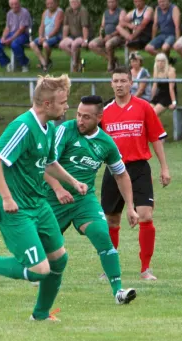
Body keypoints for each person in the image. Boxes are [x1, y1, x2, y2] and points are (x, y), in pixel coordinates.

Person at [0, 75, 88, 321]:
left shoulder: (49, 128)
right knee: (39, 270)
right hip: (16, 209)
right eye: (63, 102)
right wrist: (6, 197)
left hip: (38, 204)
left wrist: (72, 182)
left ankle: (41, 315)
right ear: (47, 104)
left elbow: (49, 163)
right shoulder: (23, 126)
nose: (67, 106)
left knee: (59, 260)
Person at [45, 95, 139, 304]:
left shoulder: (106, 143)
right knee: (36, 256)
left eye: (86, 117)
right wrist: (59, 189)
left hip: (83, 200)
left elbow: (121, 174)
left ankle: (118, 291)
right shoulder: (64, 131)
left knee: (102, 237)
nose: (80, 120)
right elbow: (46, 163)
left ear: (99, 117)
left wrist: (131, 208)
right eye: (78, 115)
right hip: (52, 199)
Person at [101, 67, 171, 281]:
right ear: (111, 84)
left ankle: (145, 269)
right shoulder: (104, 112)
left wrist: (164, 167)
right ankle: (110, 269)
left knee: (145, 215)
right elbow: (97, 143)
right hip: (113, 169)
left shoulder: (144, 108)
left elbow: (156, 138)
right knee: (111, 220)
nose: (119, 84)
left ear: (131, 82)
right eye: (116, 81)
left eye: (123, 80)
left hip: (139, 168)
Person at [0, 0, 32, 73]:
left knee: (15, 44)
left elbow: (21, 29)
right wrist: (3, 37)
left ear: (19, 3)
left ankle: (24, 64)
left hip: (24, 35)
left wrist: (10, 39)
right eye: (12, 4)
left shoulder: (24, 12)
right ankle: (7, 63)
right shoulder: (9, 13)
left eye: (16, 4)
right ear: (10, 5)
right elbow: (7, 28)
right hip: (11, 34)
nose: (14, 6)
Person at [88, 0, 124, 72]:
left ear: (117, 2)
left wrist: (111, 35)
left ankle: (111, 65)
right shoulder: (106, 13)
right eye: (109, 2)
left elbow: (122, 27)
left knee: (108, 44)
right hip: (106, 36)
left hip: (117, 36)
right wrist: (102, 35)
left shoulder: (121, 12)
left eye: (112, 2)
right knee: (92, 44)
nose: (111, 4)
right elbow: (102, 26)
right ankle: (113, 59)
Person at [29, 0, 63, 72]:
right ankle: (44, 62)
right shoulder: (45, 12)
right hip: (45, 36)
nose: (49, 5)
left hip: (56, 36)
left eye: (51, 3)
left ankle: (47, 62)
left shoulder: (59, 12)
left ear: (56, 3)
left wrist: (46, 38)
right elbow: (42, 26)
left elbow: (56, 28)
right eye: (48, 4)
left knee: (45, 44)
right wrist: (41, 36)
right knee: (32, 44)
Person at [59, 0, 90, 72]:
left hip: (83, 35)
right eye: (72, 2)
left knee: (74, 45)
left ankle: (75, 65)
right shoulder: (68, 10)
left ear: (80, 2)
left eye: (75, 1)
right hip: (73, 36)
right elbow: (66, 25)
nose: (73, 3)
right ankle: (80, 61)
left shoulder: (83, 11)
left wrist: (85, 40)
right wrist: (64, 38)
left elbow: (85, 27)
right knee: (62, 44)